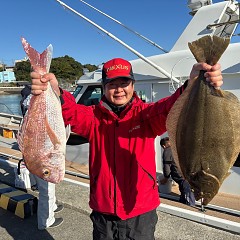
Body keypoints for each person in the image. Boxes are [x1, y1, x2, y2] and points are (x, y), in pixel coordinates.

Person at [30, 58, 223, 239]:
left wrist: (192, 84)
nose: (119, 90)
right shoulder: (93, 118)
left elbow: (169, 108)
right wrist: (55, 91)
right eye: (112, 84)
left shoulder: (145, 116)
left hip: (140, 212)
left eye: (124, 83)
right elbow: (71, 112)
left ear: (133, 85)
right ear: (104, 87)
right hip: (103, 211)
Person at [20, 85, 64, 230]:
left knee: (47, 186)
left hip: (35, 154)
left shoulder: (29, 103)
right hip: (40, 156)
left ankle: (53, 206)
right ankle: (45, 221)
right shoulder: (33, 101)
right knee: (47, 190)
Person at [159, 137, 195, 206]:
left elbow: (167, 167)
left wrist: (166, 178)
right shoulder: (179, 148)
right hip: (188, 173)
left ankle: (190, 206)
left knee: (187, 192)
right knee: (184, 190)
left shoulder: (167, 151)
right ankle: (184, 202)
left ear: (163, 146)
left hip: (181, 175)